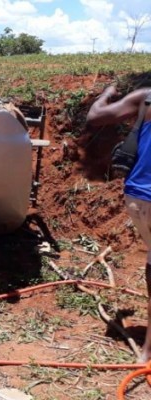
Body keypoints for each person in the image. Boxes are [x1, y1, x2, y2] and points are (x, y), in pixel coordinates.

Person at [86, 84, 151, 363]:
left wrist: (107, 93)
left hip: (138, 197)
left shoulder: (145, 97)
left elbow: (95, 116)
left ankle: (148, 350)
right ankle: (148, 351)